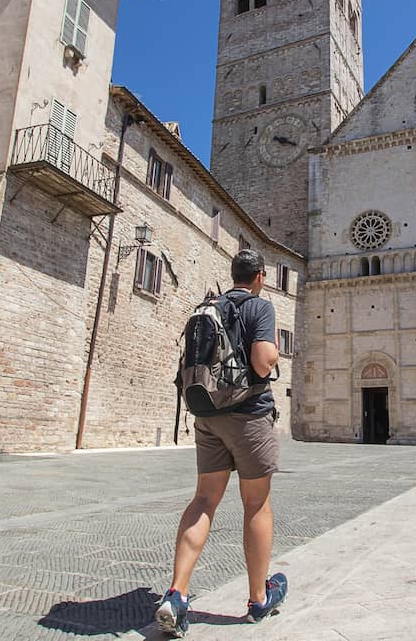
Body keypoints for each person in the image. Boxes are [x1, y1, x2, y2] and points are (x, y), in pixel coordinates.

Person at [156, 249, 288, 637]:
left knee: (203, 501)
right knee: (256, 504)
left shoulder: (208, 306)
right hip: (248, 415)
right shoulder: (259, 308)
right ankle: (258, 598)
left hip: (208, 416)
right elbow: (263, 362)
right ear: (261, 276)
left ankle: (176, 594)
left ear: (233, 275)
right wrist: (274, 351)